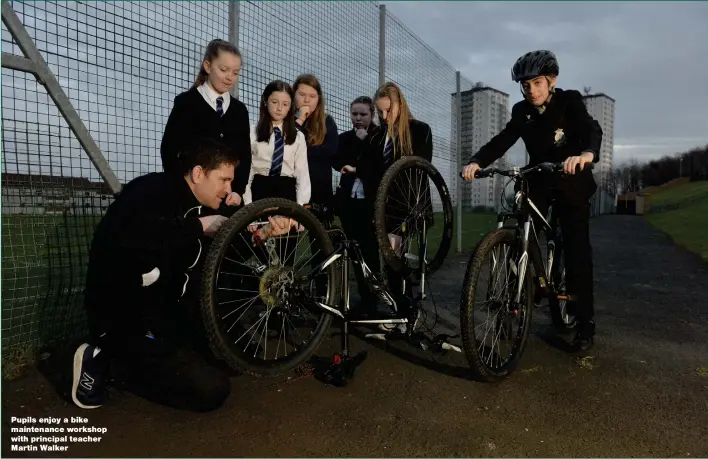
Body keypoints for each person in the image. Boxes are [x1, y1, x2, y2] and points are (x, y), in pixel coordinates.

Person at [71, 138, 296, 412]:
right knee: (211, 391)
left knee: (233, 359)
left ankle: (151, 353)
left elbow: (227, 248)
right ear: (199, 173)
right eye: (224, 180)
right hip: (123, 315)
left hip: (167, 314)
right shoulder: (150, 190)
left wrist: (265, 233)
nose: (229, 190)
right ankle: (104, 359)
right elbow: (130, 237)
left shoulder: (208, 206)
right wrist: (198, 226)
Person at [460, 50, 602, 352]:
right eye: (525, 85)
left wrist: (586, 155)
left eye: (537, 83)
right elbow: (503, 139)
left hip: (570, 179)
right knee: (521, 223)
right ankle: (517, 295)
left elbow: (591, 129)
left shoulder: (569, 101)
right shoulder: (521, 111)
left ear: (551, 81)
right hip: (538, 177)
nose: (531, 90)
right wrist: (476, 161)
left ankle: (584, 323)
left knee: (577, 251)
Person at [357, 82, 434, 332]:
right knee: (389, 257)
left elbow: (418, 169)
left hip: (410, 206)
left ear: (400, 104)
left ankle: (406, 310)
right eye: (380, 112)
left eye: (388, 111)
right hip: (383, 207)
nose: (384, 117)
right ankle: (400, 308)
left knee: (394, 254)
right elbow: (367, 170)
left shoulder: (419, 130)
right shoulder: (377, 136)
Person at [161, 39, 251, 212]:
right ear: (208, 66)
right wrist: (184, 192)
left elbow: (244, 156)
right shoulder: (186, 103)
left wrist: (238, 191)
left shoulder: (240, 111)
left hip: (228, 201)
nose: (229, 77)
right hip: (192, 203)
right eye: (223, 70)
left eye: (235, 72)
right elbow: (169, 150)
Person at [332, 96, 380, 314]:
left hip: (370, 204)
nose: (358, 119)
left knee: (370, 251)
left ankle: (374, 300)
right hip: (348, 202)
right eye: (355, 114)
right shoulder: (345, 138)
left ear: (372, 114)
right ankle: (361, 295)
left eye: (363, 114)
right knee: (353, 251)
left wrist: (363, 143)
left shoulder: (378, 137)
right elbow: (337, 160)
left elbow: (376, 168)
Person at [244, 80, 310, 206]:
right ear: (265, 101)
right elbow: (247, 172)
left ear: (291, 106)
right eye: (274, 102)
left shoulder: (298, 137)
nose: (279, 108)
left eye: (285, 104)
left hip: (287, 192)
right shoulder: (252, 133)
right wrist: (247, 204)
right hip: (259, 190)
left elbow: (302, 173)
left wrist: (301, 206)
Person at [292, 74, 339, 224]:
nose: (306, 100)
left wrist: (304, 150)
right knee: (288, 238)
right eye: (302, 94)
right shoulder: (288, 121)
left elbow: (331, 150)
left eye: (312, 96)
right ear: (294, 95)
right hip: (292, 188)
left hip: (319, 188)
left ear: (318, 99)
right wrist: (299, 121)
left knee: (322, 237)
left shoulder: (326, 121)